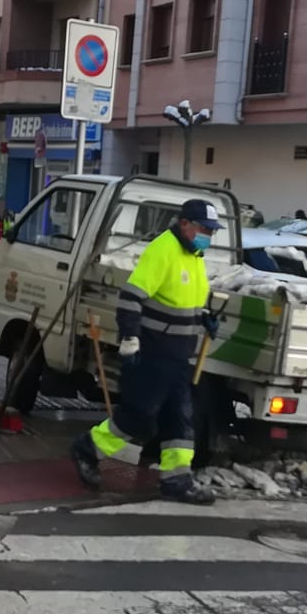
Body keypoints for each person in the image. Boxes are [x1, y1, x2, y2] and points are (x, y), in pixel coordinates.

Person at [71, 198, 222, 505]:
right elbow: (130, 298)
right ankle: (87, 449)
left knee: (179, 419)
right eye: (204, 228)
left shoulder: (194, 255)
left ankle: (177, 480)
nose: (209, 234)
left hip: (180, 355)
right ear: (184, 224)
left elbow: (185, 300)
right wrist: (130, 340)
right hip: (155, 352)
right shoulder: (163, 250)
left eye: (211, 230)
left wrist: (204, 317)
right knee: (139, 417)